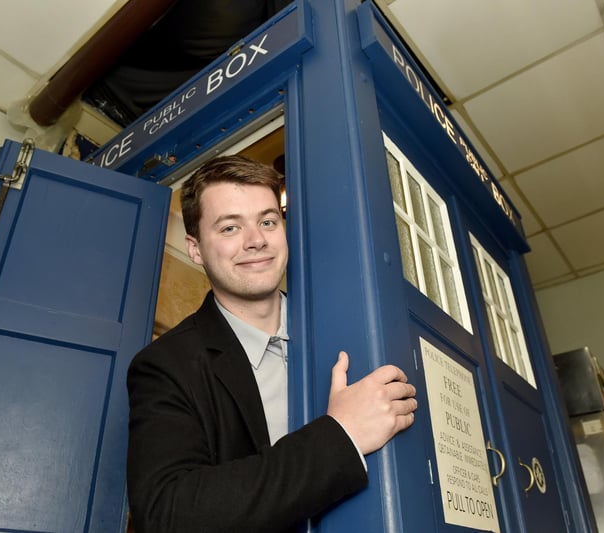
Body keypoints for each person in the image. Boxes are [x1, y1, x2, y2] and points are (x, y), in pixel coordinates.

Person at [126, 155, 418, 532]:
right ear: (195, 249)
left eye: (267, 221)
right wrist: (341, 435)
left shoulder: (352, 324)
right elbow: (169, 513)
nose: (256, 240)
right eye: (230, 228)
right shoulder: (166, 365)